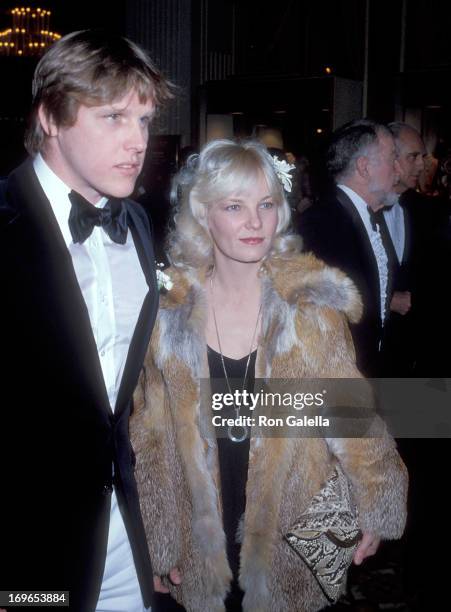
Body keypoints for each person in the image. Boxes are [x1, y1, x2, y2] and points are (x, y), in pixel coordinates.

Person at [130, 139, 408, 611]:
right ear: (203, 216)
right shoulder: (166, 316)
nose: (255, 222)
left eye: (266, 204)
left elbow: (350, 413)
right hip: (198, 533)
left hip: (291, 526)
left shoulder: (310, 309)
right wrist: (156, 543)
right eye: (234, 206)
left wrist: (377, 498)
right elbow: (150, 439)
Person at [0, 30, 172, 612]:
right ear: (50, 117)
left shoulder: (140, 225)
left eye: (144, 120)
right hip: (26, 554)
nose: (138, 141)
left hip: (122, 536)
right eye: (114, 117)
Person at [299, 120, 398, 377]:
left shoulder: (373, 218)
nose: (398, 169)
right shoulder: (319, 225)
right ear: (364, 167)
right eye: (392, 158)